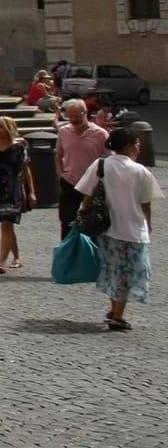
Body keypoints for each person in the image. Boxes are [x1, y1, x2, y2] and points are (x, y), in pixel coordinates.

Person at [74, 128, 162, 331]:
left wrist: (84, 215)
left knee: (112, 270)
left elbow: (86, 194)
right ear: (129, 146)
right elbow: (145, 204)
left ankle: (115, 311)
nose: (139, 148)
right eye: (137, 144)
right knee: (129, 273)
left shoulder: (101, 164)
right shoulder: (140, 171)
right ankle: (117, 317)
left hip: (106, 227)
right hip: (132, 229)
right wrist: (148, 224)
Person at [0, 115, 36, 273]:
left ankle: (2, 262)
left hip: (15, 190)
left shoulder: (19, 148)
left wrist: (32, 192)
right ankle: (17, 256)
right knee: (7, 225)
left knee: (6, 224)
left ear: (9, 129)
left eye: (1, 126)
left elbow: (26, 170)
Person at [57, 98, 111, 239]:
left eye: (77, 116)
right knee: (66, 221)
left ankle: (91, 253)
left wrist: (101, 181)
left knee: (93, 221)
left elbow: (108, 160)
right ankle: (68, 253)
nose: (73, 120)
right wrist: (60, 174)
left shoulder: (101, 134)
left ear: (85, 113)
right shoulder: (64, 131)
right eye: (70, 117)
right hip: (69, 182)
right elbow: (58, 155)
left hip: (93, 185)